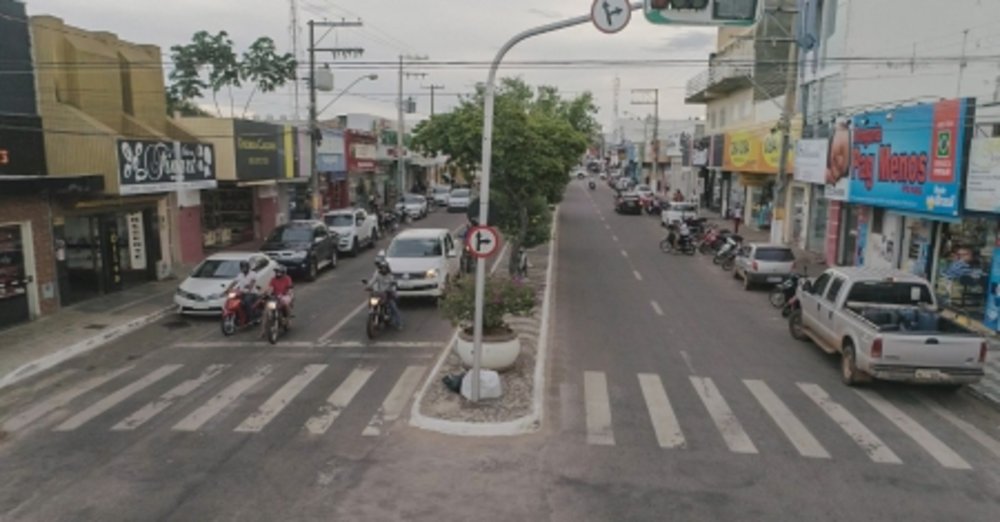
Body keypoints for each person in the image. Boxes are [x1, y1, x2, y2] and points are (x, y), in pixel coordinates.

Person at [366, 258, 402, 329]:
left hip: (388, 294)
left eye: (384, 268)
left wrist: (393, 286)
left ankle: (399, 323)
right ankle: (375, 317)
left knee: (393, 307)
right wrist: (368, 286)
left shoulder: (390, 276)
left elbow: (394, 283)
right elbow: (372, 281)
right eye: (382, 268)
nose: (383, 269)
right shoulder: (377, 275)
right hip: (379, 294)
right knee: (372, 302)